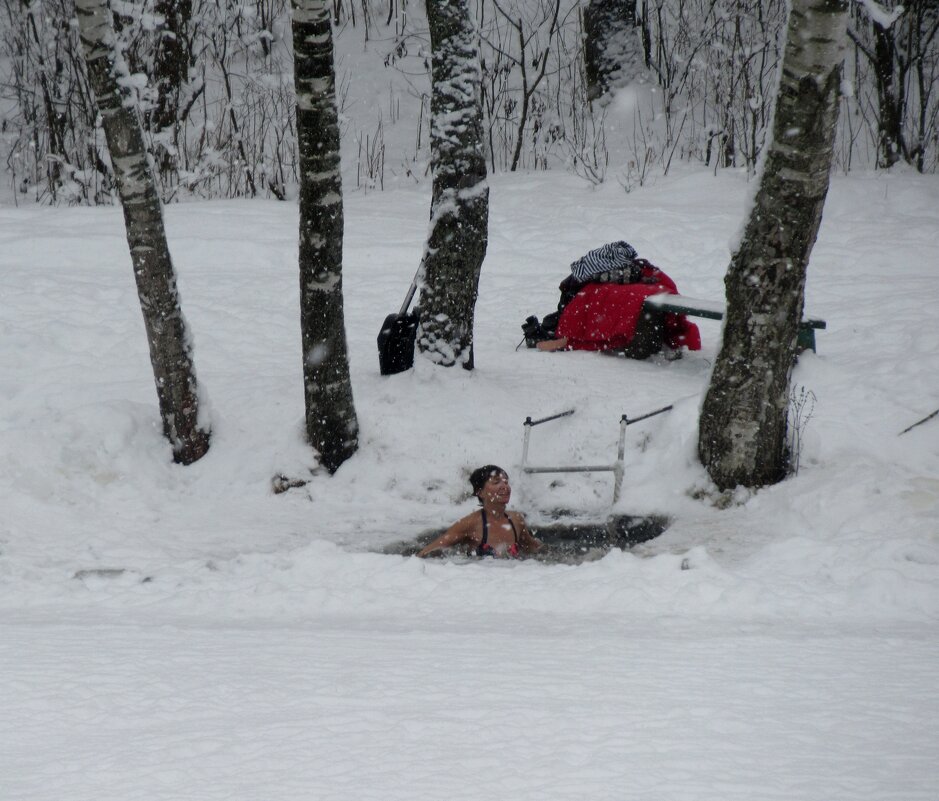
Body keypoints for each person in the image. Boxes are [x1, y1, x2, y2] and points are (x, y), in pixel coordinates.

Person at [522, 240, 701, 358]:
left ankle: (551, 335)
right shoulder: (596, 287)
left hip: (639, 305)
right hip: (647, 302)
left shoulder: (590, 290)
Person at [417, 465, 542, 558]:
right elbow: (428, 551)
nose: (505, 486)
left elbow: (534, 549)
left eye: (506, 482)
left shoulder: (516, 520)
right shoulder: (470, 523)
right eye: (496, 482)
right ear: (480, 492)